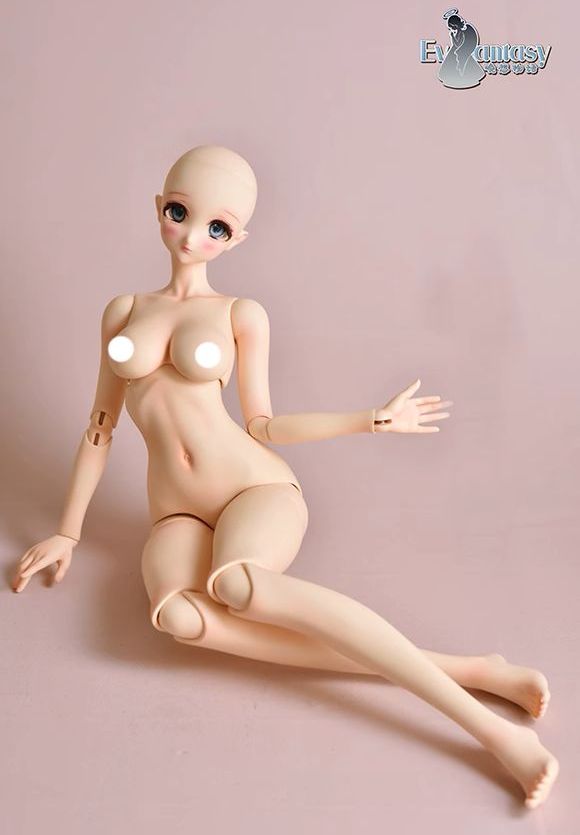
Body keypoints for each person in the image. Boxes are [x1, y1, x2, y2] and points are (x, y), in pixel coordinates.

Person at [12, 145, 558, 808]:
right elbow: (100, 427)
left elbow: (264, 425)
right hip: (176, 512)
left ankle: (493, 732)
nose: (193, 235)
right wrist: (68, 532)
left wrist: (369, 420)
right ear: (159, 208)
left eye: (217, 227)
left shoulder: (240, 313)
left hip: (254, 490)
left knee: (239, 585)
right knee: (178, 616)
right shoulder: (123, 311)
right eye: (180, 213)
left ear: (236, 238)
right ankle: (471, 669)